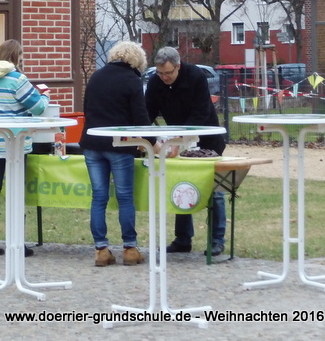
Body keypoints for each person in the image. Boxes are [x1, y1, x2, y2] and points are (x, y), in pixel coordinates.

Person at [144, 46, 227, 256]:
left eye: (168, 73)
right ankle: (183, 239)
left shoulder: (196, 76)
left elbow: (201, 112)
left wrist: (179, 140)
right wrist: (145, 136)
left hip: (207, 138)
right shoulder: (155, 82)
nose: (164, 77)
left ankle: (217, 239)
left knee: (214, 190)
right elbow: (147, 112)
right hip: (177, 142)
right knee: (181, 186)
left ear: (178, 66)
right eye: (160, 73)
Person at [80, 40, 155, 267]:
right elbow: (141, 119)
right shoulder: (132, 81)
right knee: (124, 197)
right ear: (137, 61)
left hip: (92, 144)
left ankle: (101, 249)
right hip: (120, 146)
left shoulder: (95, 77)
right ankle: (130, 248)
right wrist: (152, 143)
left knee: (98, 197)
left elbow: (87, 110)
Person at [0, 39, 50, 258]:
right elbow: (38, 108)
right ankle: (17, 243)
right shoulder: (18, 79)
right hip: (17, 143)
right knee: (16, 190)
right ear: (16, 56)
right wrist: (45, 94)